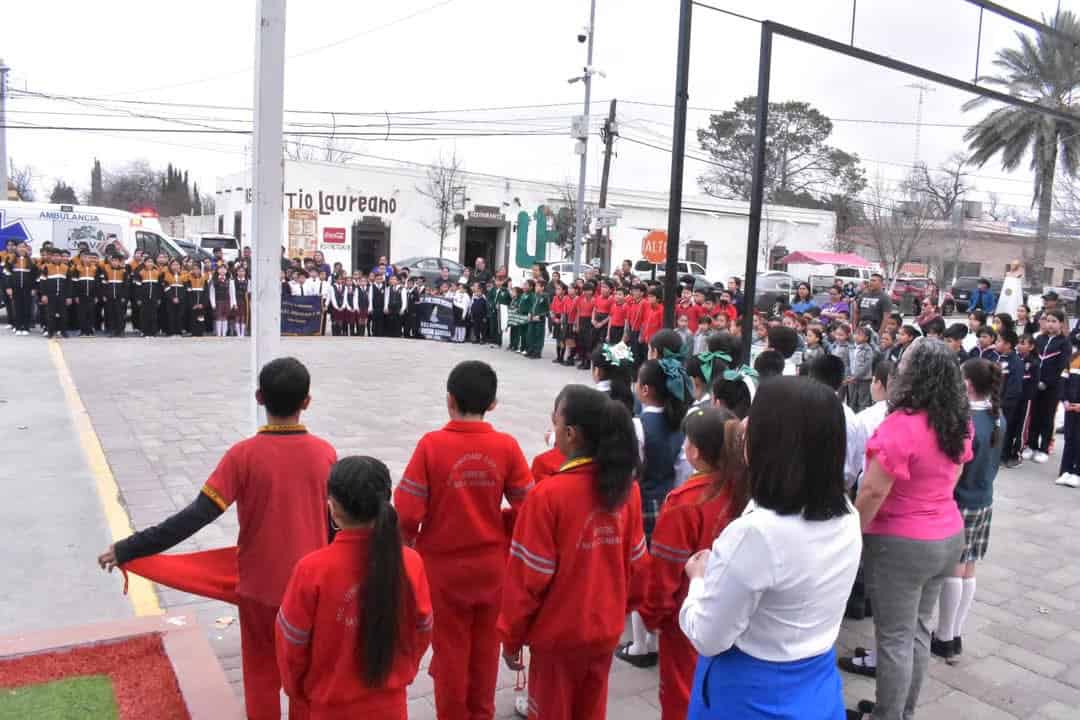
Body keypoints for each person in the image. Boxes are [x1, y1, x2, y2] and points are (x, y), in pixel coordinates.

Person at [98, 358, 336, 720]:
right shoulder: (326, 455)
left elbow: (193, 518)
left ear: (259, 398)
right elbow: (338, 527)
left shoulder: (242, 457)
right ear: (307, 401)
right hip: (311, 590)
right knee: (304, 677)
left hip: (258, 589)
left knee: (260, 678)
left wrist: (129, 548)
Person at [679, 377, 861, 720]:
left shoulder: (756, 535)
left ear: (774, 441)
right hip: (816, 681)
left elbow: (708, 635)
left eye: (755, 417)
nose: (743, 424)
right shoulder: (847, 514)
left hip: (752, 693)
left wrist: (698, 580)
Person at [393, 361, 533, 720]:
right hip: (492, 569)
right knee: (486, 652)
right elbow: (530, 509)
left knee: (450, 654)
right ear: (493, 404)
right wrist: (502, 526)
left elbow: (407, 512)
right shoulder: (507, 447)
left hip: (442, 571)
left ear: (449, 399)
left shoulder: (431, 446)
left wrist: (408, 544)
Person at [498, 385, 647, 720]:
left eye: (555, 419)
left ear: (570, 433)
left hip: (558, 640)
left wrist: (510, 637)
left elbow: (527, 580)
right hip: (605, 631)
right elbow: (638, 566)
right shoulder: (628, 490)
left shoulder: (549, 495)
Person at [844, 338, 972, 720]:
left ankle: (888, 715)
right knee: (916, 630)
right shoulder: (956, 422)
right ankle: (901, 711)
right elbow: (955, 475)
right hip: (947, 534)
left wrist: (850, 535)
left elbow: (873, 490)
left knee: (895, 637)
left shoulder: (901, 426)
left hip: (902, 543)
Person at [276, 456, 433, 719]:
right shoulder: (411, 562)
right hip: (392, 707)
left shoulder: (312, 570)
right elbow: (423, 630)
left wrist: (298, 691)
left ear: (333, 508)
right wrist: (403, 670)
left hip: (329, 707)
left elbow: (291, 645)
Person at [641, 409, 749, 720]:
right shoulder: (743, 491)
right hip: (735, 614)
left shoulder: (686, 502)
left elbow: (664, 572)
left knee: (681, 697)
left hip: (687, 618)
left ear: (694, 451)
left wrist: (652, 614)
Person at [928, 359, 1003, 667]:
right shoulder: (998, 416)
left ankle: (944, 637)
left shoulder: (965, 419)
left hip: (960, 499)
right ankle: (954, 633)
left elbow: (955, 466)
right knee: (969, 568)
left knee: (954, 570)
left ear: (968, 384)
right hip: (984, 498)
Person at [1025, 310, 1067, 464]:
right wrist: (1035, 379)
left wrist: (1047, 382)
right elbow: (1033, 359)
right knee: (1034, 416)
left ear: (1061, 324)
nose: (1050, 324)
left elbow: (1062, 366)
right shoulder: (1039, 339)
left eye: (1054, 321)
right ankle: (1031, 445)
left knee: (1047, 418)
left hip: (1052, 387)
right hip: (1036, 385)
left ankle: (1043, 448)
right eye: (1048, 320)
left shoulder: (1064, 343)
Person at [996, 329, 1024, 467]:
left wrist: (1004, 403)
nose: (996, 343)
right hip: (995, 401)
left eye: (999, 341)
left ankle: (1004, 456)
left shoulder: (1016, 362)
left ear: (1008, 344)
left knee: (1006, 430)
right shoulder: (999, 359)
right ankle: (995, 455)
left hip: (1007, 404)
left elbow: (1015, 387)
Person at [1056, 340, 1080, 488]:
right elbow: (1063, 380)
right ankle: (1065, 470)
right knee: (1070, 438)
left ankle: (1077, 472)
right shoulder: (1073, 358)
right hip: (1070, 407)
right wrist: (1064, 400)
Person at [526, 278, 549, 359]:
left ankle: (537, 352)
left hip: (539, 319)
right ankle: (530, 350)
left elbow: (548, 309)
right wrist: (529, 313)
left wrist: (540, 315)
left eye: (538, 286)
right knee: (530, 334)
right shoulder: (534, 296)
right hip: (532, 318)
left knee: (538, 335)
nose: (536, 288)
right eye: (535, 286)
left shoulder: (545, 296)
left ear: (542, 288)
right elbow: (531, 306)